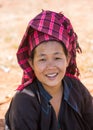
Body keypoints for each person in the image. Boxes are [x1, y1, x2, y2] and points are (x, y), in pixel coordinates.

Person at [5, 10, 93, 130]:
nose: (50, 66)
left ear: (67, 59)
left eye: (57, 58)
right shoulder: (24, 100)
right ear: (31, 63)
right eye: (42, 59)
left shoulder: (76, 89)